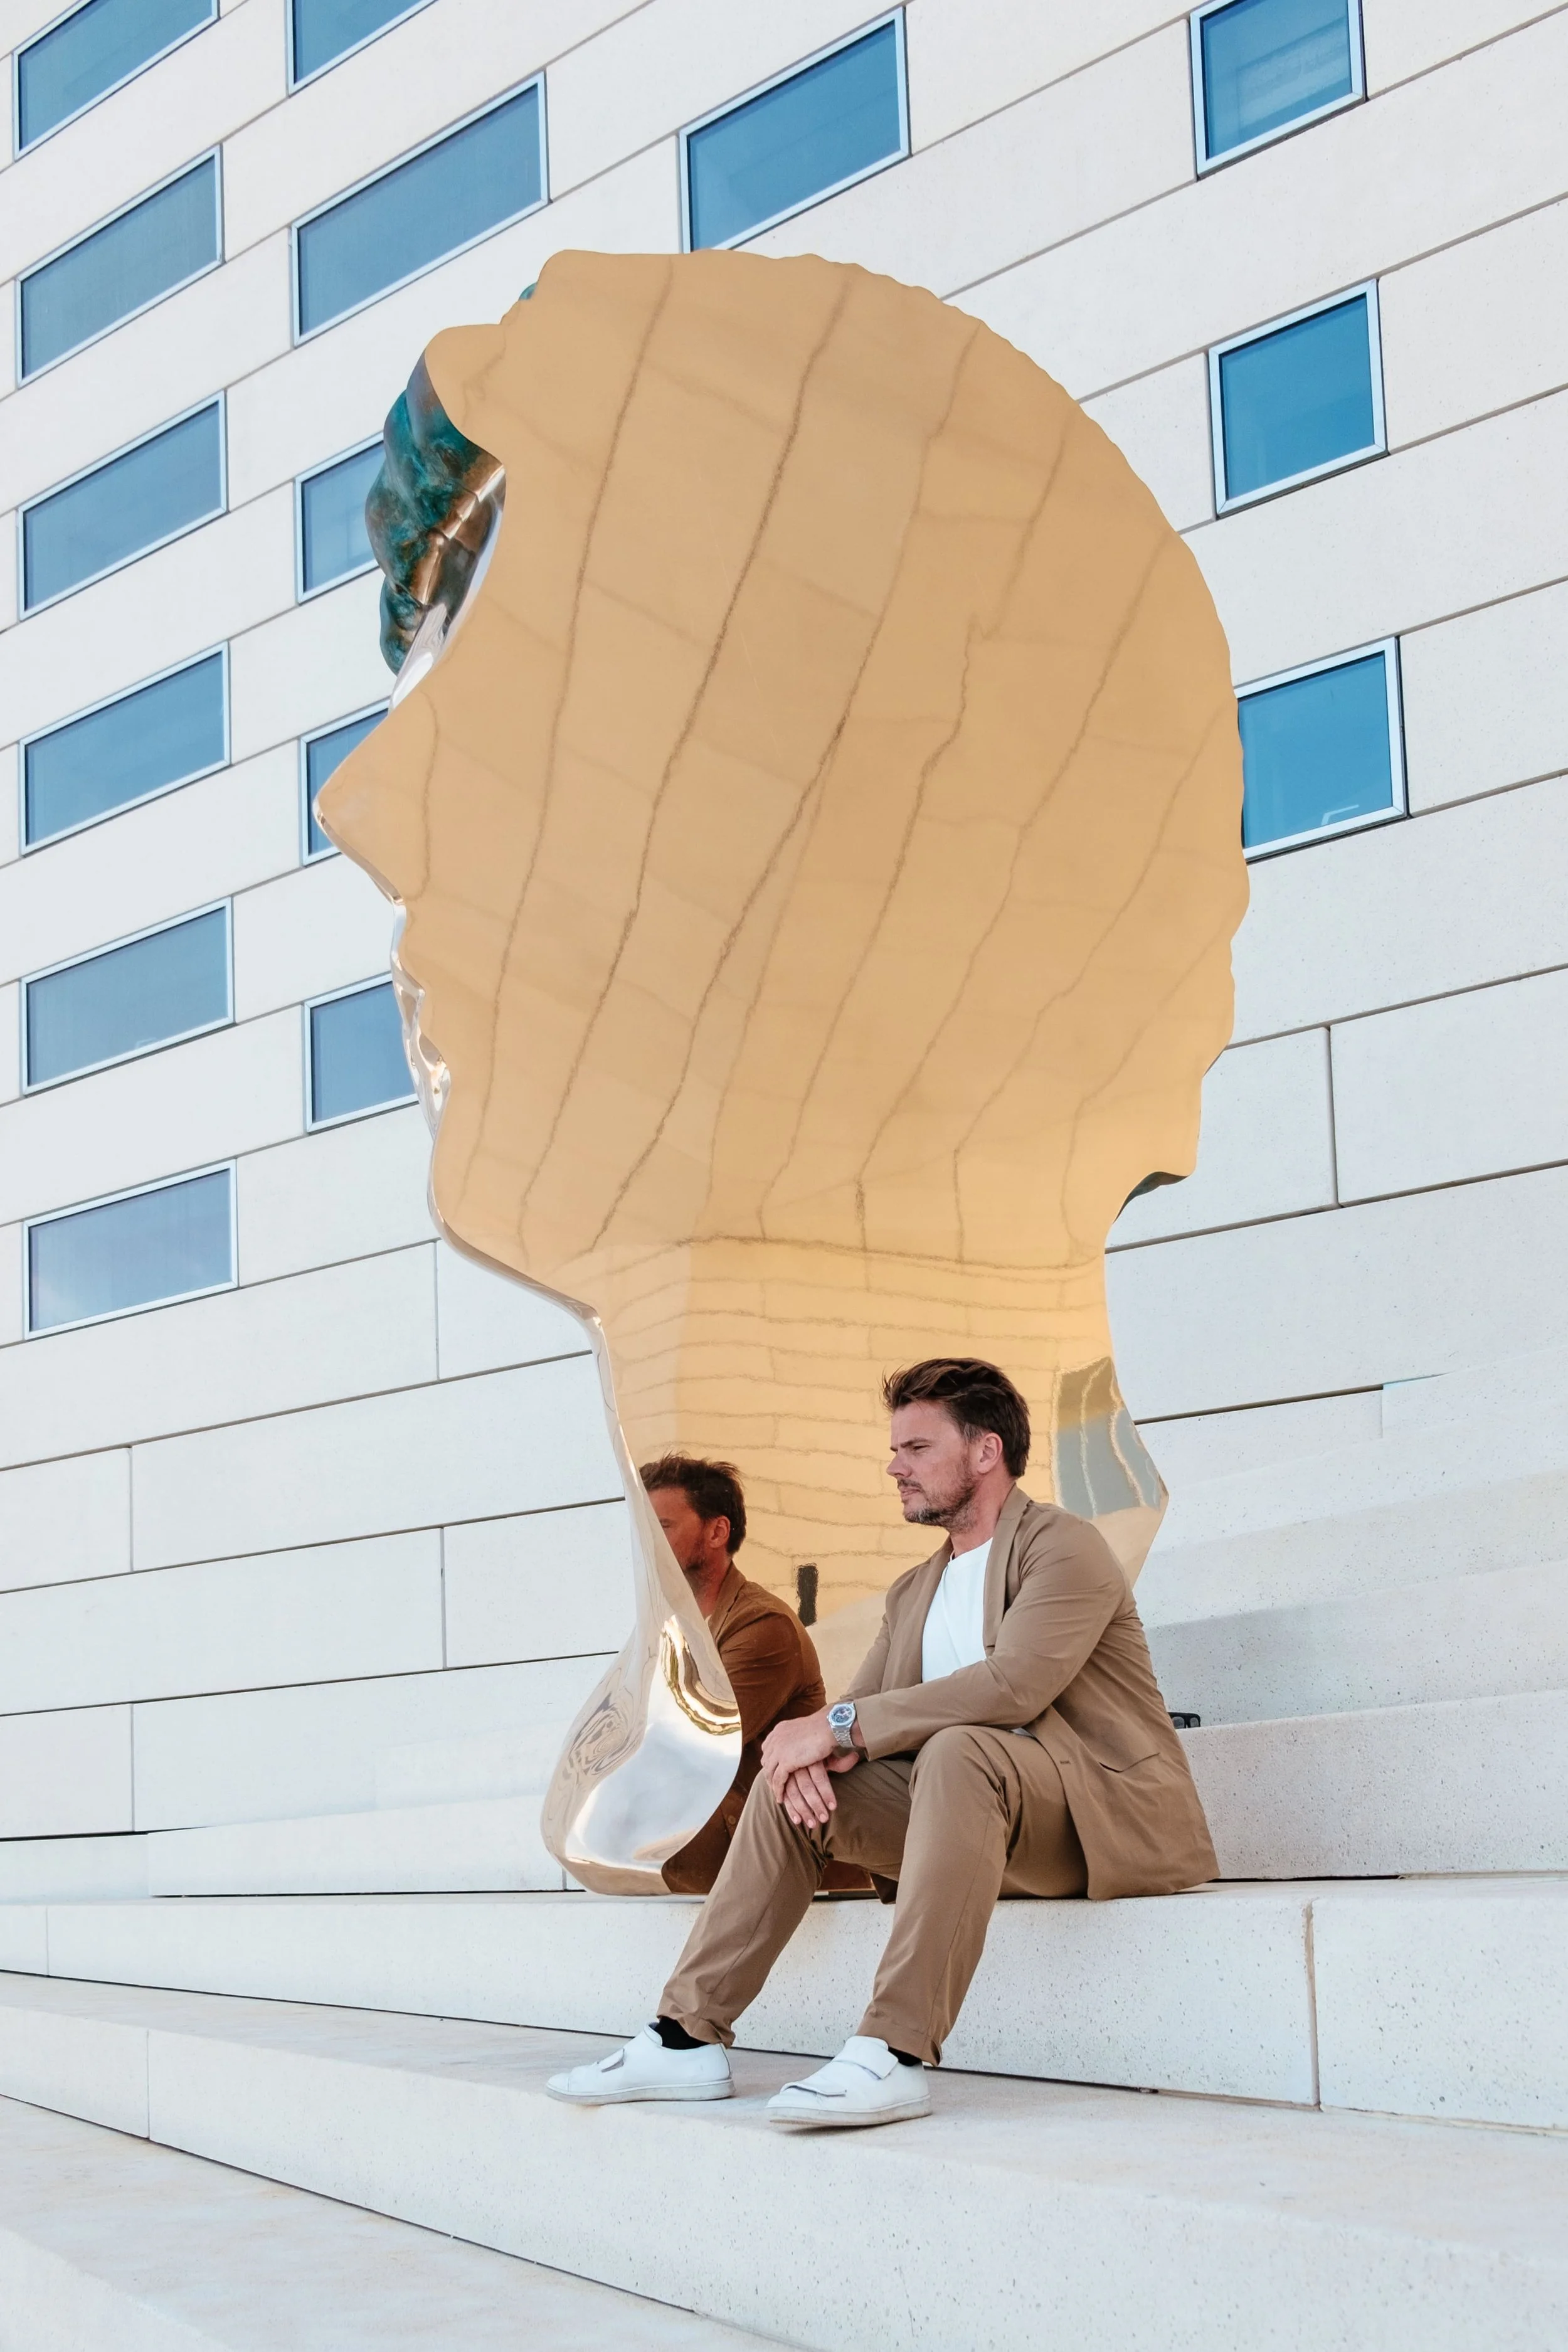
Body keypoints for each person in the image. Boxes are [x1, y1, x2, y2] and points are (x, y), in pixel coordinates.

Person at [549, 1358, 1217, 2129]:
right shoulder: (915, 1590)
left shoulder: (1063, 1547)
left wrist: (835, 1729)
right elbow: (856, 1710)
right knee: (799, 1785)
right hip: (960, 1822)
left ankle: (893, 2052)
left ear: (985, 1452)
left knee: (960, 1748)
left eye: (917, 1448)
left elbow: (1015, 1688)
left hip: (1081, 1819)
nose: (894, 1466)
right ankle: (684, 2036)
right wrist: (808, 1751)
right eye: (895, 1449)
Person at [642, 1455, 867, 1897]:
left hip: (776, 1843)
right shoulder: (671, 1627)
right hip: (723, 1830)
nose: (646, 1542)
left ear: (716, 1532)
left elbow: (692, 1744)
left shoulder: (764, 1626)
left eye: (663, 1527)